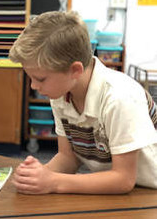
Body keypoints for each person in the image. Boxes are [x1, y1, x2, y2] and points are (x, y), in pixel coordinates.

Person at [9, 10, 157, 194]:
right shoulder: (62, 92)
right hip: (122, 190)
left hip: (148, 191)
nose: (33, 86)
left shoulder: (119, 98)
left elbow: (123, 179)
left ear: (75, 70)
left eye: (40, 78)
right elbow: (68, 158)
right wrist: (39, 176)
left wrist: (53, 182)